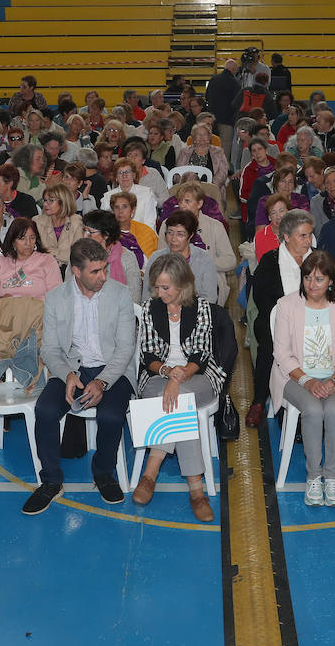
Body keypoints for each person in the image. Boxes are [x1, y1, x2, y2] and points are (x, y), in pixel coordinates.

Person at [21, 239, 136, 515]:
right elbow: (49, 349)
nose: (103, 277)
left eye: (104, 269)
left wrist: (103, 381)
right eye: (95, 272)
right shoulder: (56, 298)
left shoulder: (120, 294)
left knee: (111, 416)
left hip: (112, 369)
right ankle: (50, 481)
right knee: (45, 410)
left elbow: (125, 349)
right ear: (76, 271)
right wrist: (67, 374)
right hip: (72, 366)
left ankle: (104, 474)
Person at [132, 253, 233, 520]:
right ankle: (196, 490)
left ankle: (149, 473)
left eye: (165, 287)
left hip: (197, 375)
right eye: (156, 287)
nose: (159, 292)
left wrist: (177, 379)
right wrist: (167, 373)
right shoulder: (150, 308)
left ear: (182, 286)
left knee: (179, 399)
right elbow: (149, 355)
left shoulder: (201, 308)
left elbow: (200, 354)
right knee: (181, 405)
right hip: (157, 376)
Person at [271, 250, 335, 507]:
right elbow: (282, 354)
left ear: (331, 280)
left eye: (319, 279)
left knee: (332, 411)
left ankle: (331, 478)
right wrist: (307, 381)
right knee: (311, 409)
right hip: (294, 378)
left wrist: (334, 379)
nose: (312, 284)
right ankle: (313, 477)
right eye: (307, 278)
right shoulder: (287, 305)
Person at [251, 209, 317, 428]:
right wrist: (289, 321)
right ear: (286, 236)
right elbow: (262, 300)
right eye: (302, 236)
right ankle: (260, 399)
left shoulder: (318, 259)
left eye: (309, 235)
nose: (308, 241)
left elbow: (331, 293)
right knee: (269, 343)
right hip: (277, 321)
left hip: (314, 322)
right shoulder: (270, 262)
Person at [143, 211, 219, 304]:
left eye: (180, 234)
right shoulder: (156, 258)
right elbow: (147, 295)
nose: (173, 239)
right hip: (162, 311)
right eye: (170, 232)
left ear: (190, 235)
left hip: (195, 312)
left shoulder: (204, 259)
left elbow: (209, 298)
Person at [0, 217, 62, 301]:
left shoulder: (47, 261)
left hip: (38, 311)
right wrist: (3, 300)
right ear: (13, 241)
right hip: (6, 310)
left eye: (32, 238)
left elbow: (56, 297)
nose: (28, 243)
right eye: (22, 238)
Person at [81, 209, 142, 304]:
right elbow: (68, 292)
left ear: (106, 235)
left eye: (90, 232)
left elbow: (134, 299)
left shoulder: (127, 258)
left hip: (118, 313)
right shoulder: (79, 255)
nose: (84, 236)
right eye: (84, 230)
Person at [33, 182, 84, 266]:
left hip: (69, 271)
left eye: (51, 200)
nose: (45, 204)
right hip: (43, 269)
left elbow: (77, 255)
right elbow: (35, 252)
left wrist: (49, 252)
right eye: (45, 200)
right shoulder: (36, 221)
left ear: (64, 201)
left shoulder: (76, 221)